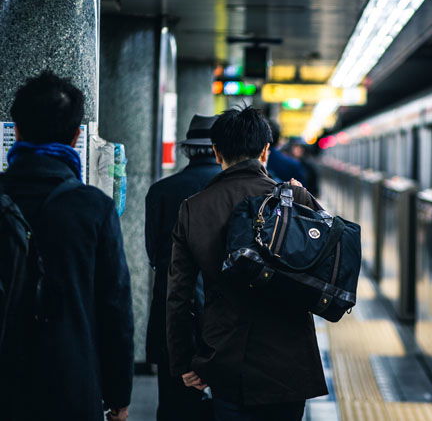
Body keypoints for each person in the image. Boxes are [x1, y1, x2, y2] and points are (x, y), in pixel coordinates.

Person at [167, 108, 328, 421]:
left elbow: (178, 296)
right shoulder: (293, 198)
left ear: (216, 152)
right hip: (288, 359)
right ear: (266, 150)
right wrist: (306, 199)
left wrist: (183, 362)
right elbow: (326, 263)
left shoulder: (193, 208)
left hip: (225, 356)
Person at [0, 71, 134, 421]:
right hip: (70, 382)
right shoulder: (94, 207)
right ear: (76, 136)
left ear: (16, 131)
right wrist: (118, 395)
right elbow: (114, 307)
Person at [146, 114, 221, 421]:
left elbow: (153, 256)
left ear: (188, 149)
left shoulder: (162, 191)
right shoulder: (236, 193)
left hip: (172, 317)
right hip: (224, 323)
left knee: (175, 406)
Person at [266, 118, 307, 185]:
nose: (299, 150)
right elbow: (302, 191)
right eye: (296, 147)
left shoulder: (250, 161)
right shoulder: (294, 164)